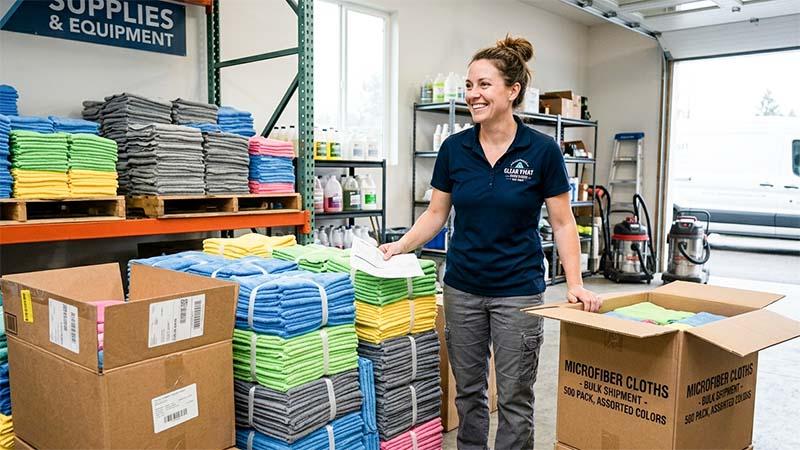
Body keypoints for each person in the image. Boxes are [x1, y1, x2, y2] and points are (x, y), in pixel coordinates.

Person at [380, 35, 602, 450]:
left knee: (516, 398)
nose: (472, 95)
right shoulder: (454, 149)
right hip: (462, 287)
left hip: (518, 292)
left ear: (512, 90)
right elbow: (435, 214)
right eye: (469, 85)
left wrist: (574, 282)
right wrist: (400, 245)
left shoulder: (542, 151)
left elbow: (563, 222)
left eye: (483, 84)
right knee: (469, 393)